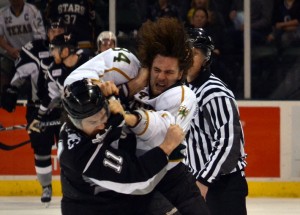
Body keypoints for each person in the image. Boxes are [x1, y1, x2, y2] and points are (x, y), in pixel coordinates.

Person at [64, 17, 210, 215]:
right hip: (126, 177)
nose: (161, 77)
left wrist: (127, 111)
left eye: (169, 72)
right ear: (147, 64)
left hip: (165, 172)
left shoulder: (183, 97)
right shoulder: (123, 64)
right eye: (156, 69)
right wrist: (100, 87)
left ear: (180, 73)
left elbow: (163, 133)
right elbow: (73, 86)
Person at [59, 78, 186, 215]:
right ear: (75, 122)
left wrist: (112, 95)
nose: (102, 124)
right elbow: (140, 181)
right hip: (94, 207)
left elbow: (110, 123)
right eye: (94, 122)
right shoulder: (81, 156)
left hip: (119, 198)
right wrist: (167, 148)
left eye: (103, 115)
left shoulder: (85, 123)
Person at [0, 18, 65, 205]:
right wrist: (12, 89)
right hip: (38, 110)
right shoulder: (35, 49)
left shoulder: (71, 50)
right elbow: (20, 74)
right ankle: (46, 186)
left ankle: (70, 185)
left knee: (70, 150)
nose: (57, 33)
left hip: (65, 111)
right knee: (42, 150)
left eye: (60, 30)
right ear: (47, 32)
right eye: (54, 30)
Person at [185, 27, 248, 215]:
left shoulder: (214, 92)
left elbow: (229, 144)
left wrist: (203, 181)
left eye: (194, 53)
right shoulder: (186, 89)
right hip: (200, 183)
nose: (187, 57)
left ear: (206, 58)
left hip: (223, 187)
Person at [26, 32, 91, 204]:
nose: (52, 53)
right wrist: (38, 118)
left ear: (66, 51)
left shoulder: (88, 63)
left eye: (55, 49)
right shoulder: (54, 71)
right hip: (76, 117)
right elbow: (49, 98)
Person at [0, 0, 46, 94]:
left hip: (32, 53)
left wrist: (26, 52)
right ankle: (4, 99)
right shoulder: (2, 14)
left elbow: (40, 38)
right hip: (11, 54)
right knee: (3, 68)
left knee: (38, 69)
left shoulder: (32, 11)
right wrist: (10, 49)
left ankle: (36, 100)